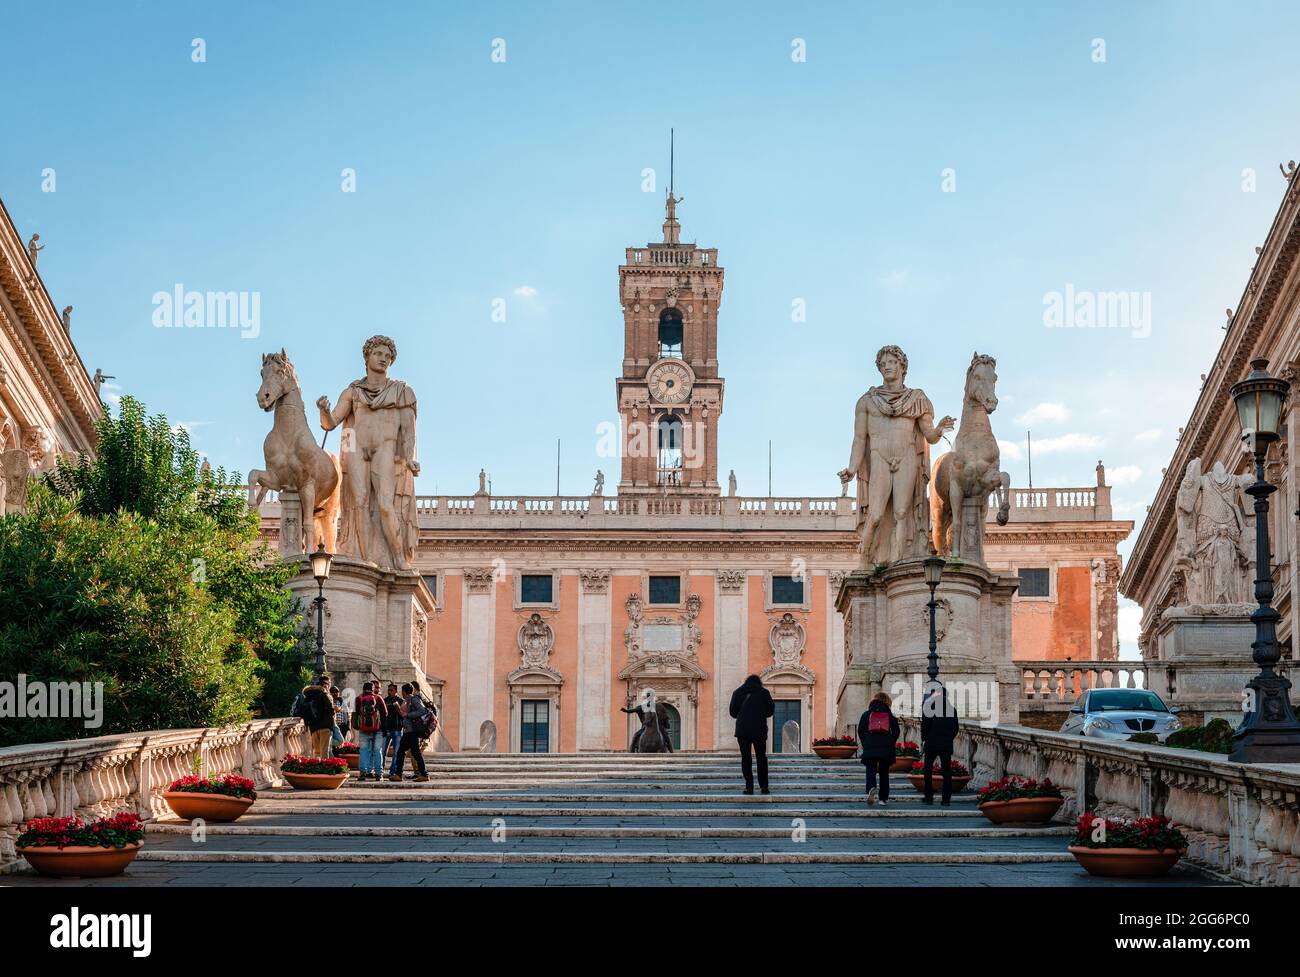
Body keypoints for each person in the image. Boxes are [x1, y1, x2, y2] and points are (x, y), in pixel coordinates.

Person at [729, 674, 775, 796]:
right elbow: (770, 711)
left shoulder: (737, 692)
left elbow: (733, 713)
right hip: (759, 730)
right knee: (761, 758)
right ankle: (764, 786)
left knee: (746, 758)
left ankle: (749, 787)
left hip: (742, 731)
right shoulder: (764, 692)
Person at [858, 691, 900, 806]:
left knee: (870, 769)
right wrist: (891, 741)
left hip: (871, 744)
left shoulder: (867, 714)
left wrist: (865, 742)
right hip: (886, 746)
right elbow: (896, 731)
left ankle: (871, 787)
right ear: (887, 702)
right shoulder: (890, 715)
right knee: (884, 772)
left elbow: (860, 730)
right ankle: (883, 799)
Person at [921, 685, 959, 805]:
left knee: (927, 771)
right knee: (946, 772)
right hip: (946, 744)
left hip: (931, 744)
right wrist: (948, 738)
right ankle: (946, 800)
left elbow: (925, 727)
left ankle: (928, 797)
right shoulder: (952, 709)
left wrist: (925, 739)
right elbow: (955, 729)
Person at [389, 683, 429, 782]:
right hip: (408, 731)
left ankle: (424, 774)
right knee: (401, 752)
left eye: (402, 691)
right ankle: (399, 774)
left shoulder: (414, 699)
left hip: (413, 731)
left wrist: (408, 715)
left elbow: (422, 711)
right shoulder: (409, 700)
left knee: (415, 753)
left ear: (404, 692)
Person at [353, 681, 388, 781]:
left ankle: (363, 773)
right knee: (377, 751)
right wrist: (385, 730)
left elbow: (356, 714)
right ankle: (379, 774)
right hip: (378, 729)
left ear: (363, 689)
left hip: (363, 729)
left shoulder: (359, 699)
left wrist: (357, 726)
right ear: (373, 689)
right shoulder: (378, 698)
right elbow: (385, 713)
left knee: (363, 751)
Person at [299, 677, 336, 759]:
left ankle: (317, 769)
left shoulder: (307, 697)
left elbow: (303, 711)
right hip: (325, 727)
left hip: (313, 727)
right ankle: (325, 770)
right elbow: (330, 710)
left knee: (317, 752)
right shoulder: (323, 695)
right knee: (324, 751)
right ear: (324, 686)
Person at [381, 682, 404, 776]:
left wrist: (398, 708)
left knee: (396, 753)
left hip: (398, 730)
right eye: (388, 690)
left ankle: (393, 771)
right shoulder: (384, 700)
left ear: (396, 691)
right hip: (386, 730)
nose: (389, 692)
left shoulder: (401, 701)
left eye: (391, 690)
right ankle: (380, 770)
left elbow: (403, 714)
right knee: (382, 751)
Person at [330, 686, 349, 754]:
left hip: (342, 726)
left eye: (336, 691)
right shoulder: (329, 701)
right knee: (334, 744)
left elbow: (347, 714)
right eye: (332, 692)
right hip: (333, 726)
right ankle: (334, 757)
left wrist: (347, 727)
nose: (335, 693)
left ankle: (339, 758)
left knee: (341, 744)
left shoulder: (342, 701)